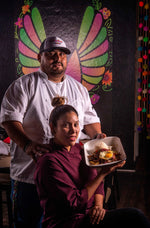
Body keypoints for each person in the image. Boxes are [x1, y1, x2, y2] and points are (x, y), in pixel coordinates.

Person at [0, 36, 106, 228]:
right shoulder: (24, 85)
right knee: (27, 224)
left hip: (66, 176)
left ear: (67, 59)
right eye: (50, 55)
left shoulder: (79, 89)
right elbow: (9, 120)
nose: (57, 58)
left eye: (61, 54)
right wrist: (28, 144)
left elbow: (90, 121)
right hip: (29, 174)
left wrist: (97, 136)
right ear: (39, 57)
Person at [34, 97, 150, 228]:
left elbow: (96, 181)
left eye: (76, 124)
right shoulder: (49, 162)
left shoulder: (80, 149)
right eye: (66, 125)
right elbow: (74, 204)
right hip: (69, 222)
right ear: (53, 128)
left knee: (136, 217)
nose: (73, 130)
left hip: (91, 215)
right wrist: (102, 174)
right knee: (135, 218)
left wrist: (99, 206)